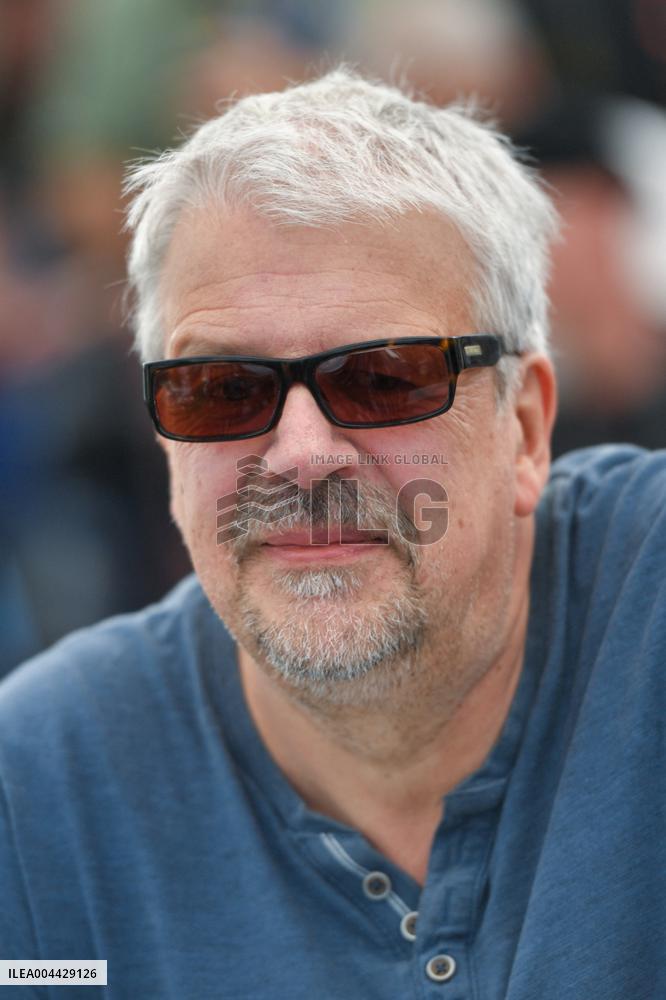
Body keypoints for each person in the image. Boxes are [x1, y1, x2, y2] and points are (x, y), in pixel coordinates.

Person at [0, 68, 664, 1000]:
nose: (302, 456)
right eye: (223, 390)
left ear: (524, 429)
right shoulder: (39, 800)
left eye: (385, 378)